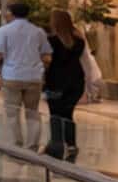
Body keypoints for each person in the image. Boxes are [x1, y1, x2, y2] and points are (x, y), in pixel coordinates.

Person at [0, 0, 51, 151]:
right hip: (33, 77)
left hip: (12, 76)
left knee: (12, 113)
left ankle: (16, 145)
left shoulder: (4, 31)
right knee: (32, 112)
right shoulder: (38, 31)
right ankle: (32, 146)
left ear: (11, 13)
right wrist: (41, 69)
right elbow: (47, 55)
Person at [41, 10, 98, 162]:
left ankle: (56, 144)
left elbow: (47, 61)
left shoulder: (51, 41)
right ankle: (71, 144)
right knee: (68, 114)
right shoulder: (79, 41)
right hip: (75, 82)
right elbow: (85, 62)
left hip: (55, 81)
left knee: (55, 113)